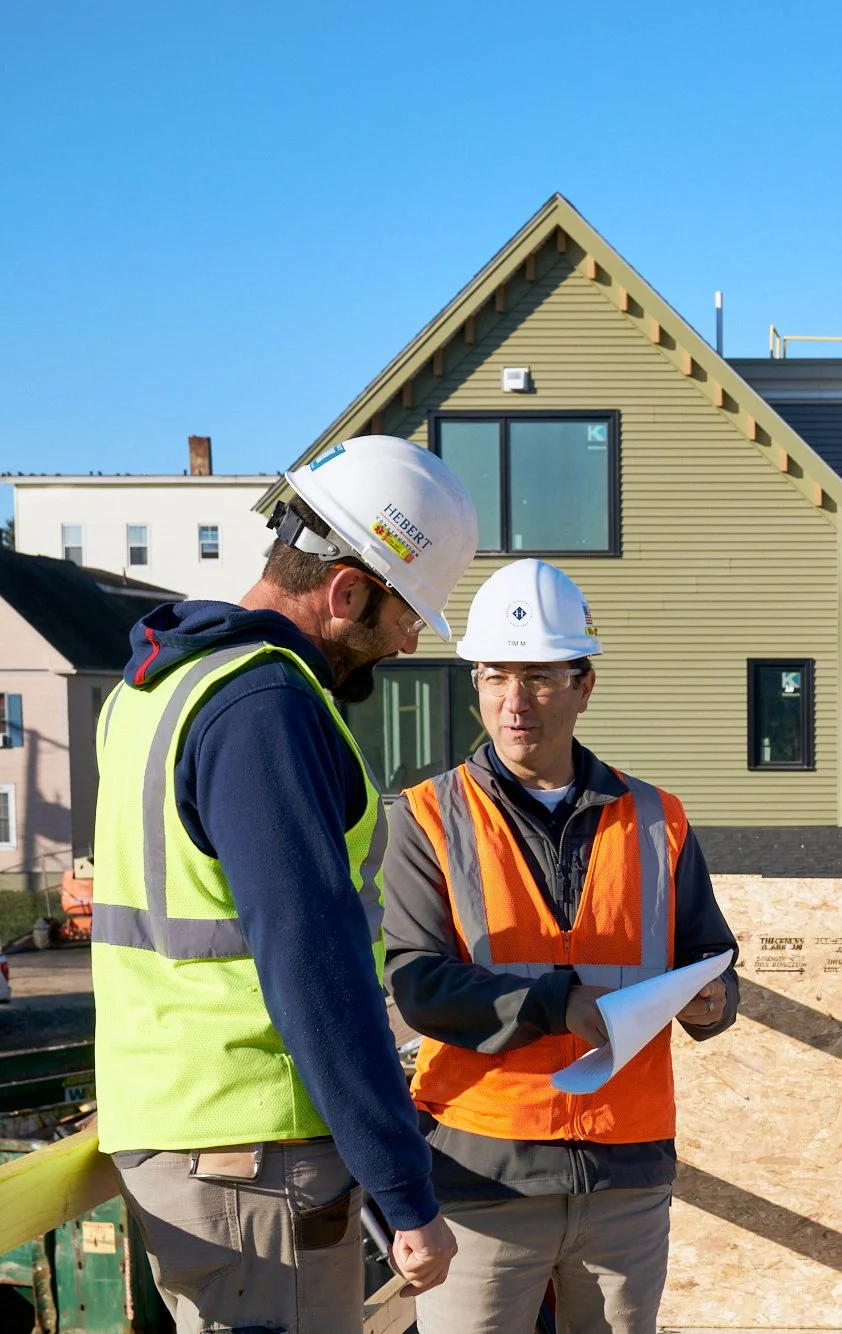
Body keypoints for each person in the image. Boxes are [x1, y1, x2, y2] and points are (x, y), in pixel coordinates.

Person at [92, 436, 480, 1330]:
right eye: (406, 614)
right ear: (346, 590)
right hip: (254, 1152)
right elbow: (312, 960)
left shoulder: (153, 687)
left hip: (179, 1127)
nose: (412, 640)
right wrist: (399, 1184)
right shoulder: (266, 706)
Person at [380, 558, 739, 1334]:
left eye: (540, 678)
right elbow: (418, 984)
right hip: (483, 1174)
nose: (515, 704)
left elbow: (710, 955)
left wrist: (713, 1001)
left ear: (584, 685)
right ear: (475, 682)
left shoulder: (658, 818)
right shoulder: (425, 818)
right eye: (495, 677)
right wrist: (558, 1007)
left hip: (627, 1172)